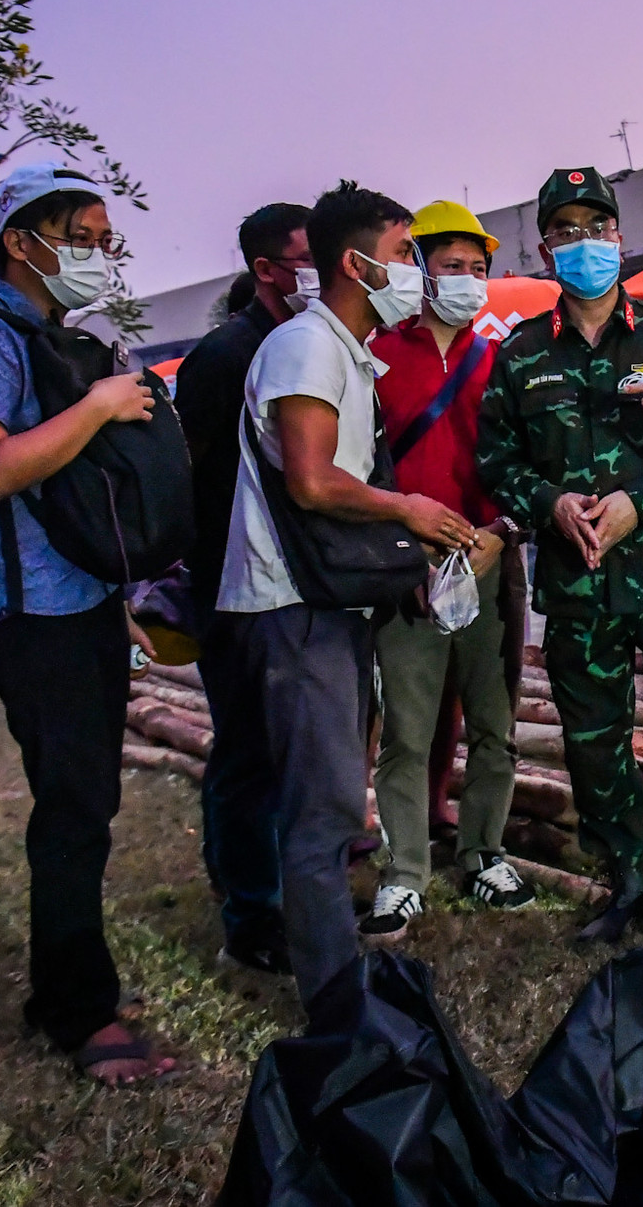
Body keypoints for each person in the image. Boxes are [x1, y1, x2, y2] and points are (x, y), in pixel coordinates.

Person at [0, 162, 174, 1086]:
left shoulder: (57, 339)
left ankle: (69, 987)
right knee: (72, 807)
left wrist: (117, 596)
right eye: (80, 238)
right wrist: (100, 406)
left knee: (89, 801)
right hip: (28, 605)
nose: (97, 255)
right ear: (18, 241)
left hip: (79, 598)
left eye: (105, 240)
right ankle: (77, 1011)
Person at [215, 181, 475, 1016]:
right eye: (402, 254)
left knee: (329, 797)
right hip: (293, 606)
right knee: (323, 808)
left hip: (323, 602)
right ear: (357, 264)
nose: (415, 271)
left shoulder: (345, 351)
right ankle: (334, 1000)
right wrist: (408, 510)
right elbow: (313, 480)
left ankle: (331, 969)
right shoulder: (306, 347)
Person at [478, 166, 643, 944]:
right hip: (578, 582)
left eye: (597, 228)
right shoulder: (521, 353)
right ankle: (626, 879)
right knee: (594, 740)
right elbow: (497, 462)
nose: (584, 243)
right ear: (545, 248)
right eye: (567, 231)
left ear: (619, 238)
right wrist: (550, 503)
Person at [361, 200, 530, 940]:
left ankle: (484, 850)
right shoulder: (374, 356)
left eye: (477, 268)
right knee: (406, 727)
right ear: (420, 269)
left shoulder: (500, 360)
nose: (466, 278)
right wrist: (399, 539)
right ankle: (404, 872)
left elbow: (527, 462)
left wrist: (503, 532)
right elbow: (358, 465)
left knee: (494, 720)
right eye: (451, 265)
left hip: (488, 556)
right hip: (409, 565)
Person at [172, 202, 313, 975]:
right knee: (249, 752)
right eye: (307, 258)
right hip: (234, 588)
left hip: (296, 584)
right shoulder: (225, 358)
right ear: (266, 269)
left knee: (289, 751)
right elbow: (192, 481)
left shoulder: (310, 344)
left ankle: (283, 892)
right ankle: (251, 913)